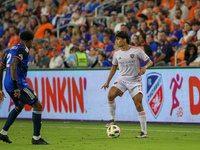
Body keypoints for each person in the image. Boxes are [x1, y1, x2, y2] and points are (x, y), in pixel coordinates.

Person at [0, 31, 49, 144]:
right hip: (19, 84)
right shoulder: (24, 50)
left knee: (19, 106)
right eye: (32, 41)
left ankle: (3, 133)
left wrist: (1, 89)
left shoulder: (12, 49)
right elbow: (13, 65)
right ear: (29, 41)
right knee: (38, 105)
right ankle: (36, 138)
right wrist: (16, 87)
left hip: (8, 84)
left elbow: (1, 67)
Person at [101, 31, 153, 138]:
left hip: (135, 81)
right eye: (116, 39)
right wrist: (107, 81)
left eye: (118, 39)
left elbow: (150, 62)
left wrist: (144, 67)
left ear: (124, 40)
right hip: (122, 79)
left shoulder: (137, 50)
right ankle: (113, 119)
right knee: (110, 95)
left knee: (138, 105)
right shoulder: (116, 53)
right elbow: (114, 67)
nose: (117, 41)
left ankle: (144, 132)